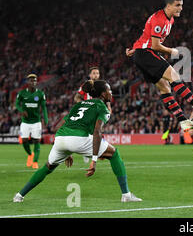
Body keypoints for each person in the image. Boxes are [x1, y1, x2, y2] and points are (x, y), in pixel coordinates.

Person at [13, 80, 142, 203]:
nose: (111, 93)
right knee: (114, 154)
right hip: (78, 139)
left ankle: (19, 195)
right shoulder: (102, 107)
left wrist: (67, 152)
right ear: (103, 94)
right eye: (109, 90)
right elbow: (97, 132)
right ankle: (126, 195)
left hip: (60, 138)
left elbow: (59, 126)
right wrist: (94, 160)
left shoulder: (79, 104)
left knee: (47, 167)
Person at [125, 0, 193, 132]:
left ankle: (184, 121)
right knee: (174, 76)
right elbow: (155, 45)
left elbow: (146, 35)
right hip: (147, 53)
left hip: (142, 53)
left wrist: (135, 49)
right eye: (177, 5)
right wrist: (171, 51)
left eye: (181, 5)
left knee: (165, 88)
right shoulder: (160, 19)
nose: (180, 8)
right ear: (168, 6)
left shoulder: (170, 20)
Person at [74, 66, 112, 163]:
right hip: (89, 111)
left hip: (99, 110)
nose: (96, 75)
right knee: (92, 131)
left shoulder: (103, 85)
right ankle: (91, 152)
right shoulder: (86, 86)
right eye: (94, 73)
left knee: (97, 130)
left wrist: (108, 106)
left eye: (97, 73)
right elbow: (77, 97)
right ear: (90, 75)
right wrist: (82, 104)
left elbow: (107, 98)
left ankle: (94, 152)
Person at [15, 74, 48, 169]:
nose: (33, 82)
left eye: (34, 81)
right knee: (24, 140)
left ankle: (35, 162)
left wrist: (46, 118)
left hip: (36, 122)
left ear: (36, 82)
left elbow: (44, 107)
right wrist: (21, 111)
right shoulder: (22, 93)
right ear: (27, 82)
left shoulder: (40, 94)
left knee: (36, 141)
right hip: (25, 122)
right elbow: (16, 104)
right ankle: (30, 154)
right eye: (31, 81)